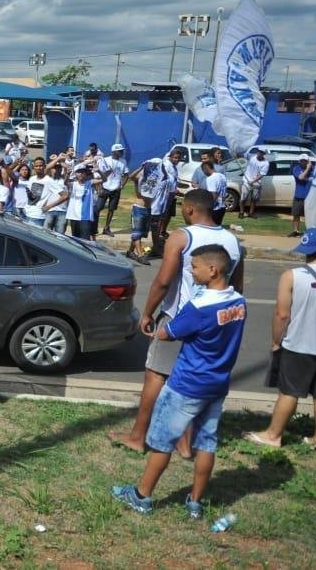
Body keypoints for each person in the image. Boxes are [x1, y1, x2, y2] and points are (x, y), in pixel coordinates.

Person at [111, 244, 246, 517]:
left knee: (162, 440)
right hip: (217, 383)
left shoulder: (199, 306)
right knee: (206, 442)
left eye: (195, 267)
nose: (191, 271)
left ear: (213, 270)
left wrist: (158, 330)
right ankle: (195, 503)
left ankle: (142, 497)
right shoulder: (238, 302)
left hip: (187, 383)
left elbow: (169, 332)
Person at [109, 189, 243, 455]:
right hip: (217, 318)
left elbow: (163, 280)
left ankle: (138, 436)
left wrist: (148, 312)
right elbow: (237, 288)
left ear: (190, 209)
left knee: (156, 374)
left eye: (183, 207)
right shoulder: (232, 240)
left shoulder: (182, 236)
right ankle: (185, 443)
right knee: (192, 378)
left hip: (180, 315)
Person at [245, 227, 316, 455]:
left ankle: (274, 435)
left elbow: (282, 315)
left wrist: (276, 342)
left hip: (297, 345)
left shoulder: (292, 276)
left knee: (289, 393)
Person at [96, 143, 127, 236]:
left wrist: (122, 185)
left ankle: (106, 228)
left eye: (122, 151)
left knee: (111, 209)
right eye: (120, 151)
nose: (122, 152)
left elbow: (126, 174)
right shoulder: (105, 160)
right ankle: (94, 227)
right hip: (105, 188)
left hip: (116, 189)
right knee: (98, 208)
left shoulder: (123, 161)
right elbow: (99, 175)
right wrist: (100, 188)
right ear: (114, 151)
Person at [66, 164, 95, 239]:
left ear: (85, 174)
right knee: (76, 239)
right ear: (75, 174)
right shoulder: (73, 184)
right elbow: (65, 183)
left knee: (85, 239)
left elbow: (104, 180)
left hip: (85, 216)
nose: (81, 174)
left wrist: (100, 172)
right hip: (74, 216)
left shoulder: (90, 183)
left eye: (83, 172)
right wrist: (67, 174)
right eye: (78, 172)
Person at [239, 148, 268, 219]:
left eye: (261, 152)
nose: (259, 153)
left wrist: (253, 181)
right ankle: (241, 212)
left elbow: (262, 175)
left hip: (256, 184)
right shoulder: (252, 157)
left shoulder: (266, 163)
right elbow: (241, 155)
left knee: (254, 199)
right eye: (259, 151)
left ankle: (251, 213)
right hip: (246, 181)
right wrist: (236, 154)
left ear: (264, 154)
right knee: (243, 198)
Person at [289, 154, 313, 238]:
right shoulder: (296, 168)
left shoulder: (314, 170)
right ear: (299, 161)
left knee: (309, 216)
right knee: (296, 215)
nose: (303, 162)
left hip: (310, 197)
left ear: (308, 161)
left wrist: (310, 168)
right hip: (298, 196)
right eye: (301, 160)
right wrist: (308, 168)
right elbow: (301, 177)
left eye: (305, 160)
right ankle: (296, 231)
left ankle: (310, 232)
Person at [200, 161, 227, 225]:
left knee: (210, 229)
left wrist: (207, 208)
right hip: (222, 206)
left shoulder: (210, 178)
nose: (204, 173)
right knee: (217, 228)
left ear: (206, 168)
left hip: (214, 208)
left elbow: (213, 195)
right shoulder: (222, 176)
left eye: (203, 171)